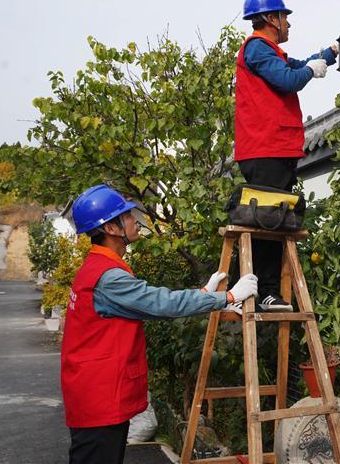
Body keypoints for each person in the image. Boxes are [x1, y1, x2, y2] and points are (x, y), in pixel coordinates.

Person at [61, 184, 259, 464]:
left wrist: (204, 294)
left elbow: (146, 302)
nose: (135, 219)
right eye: (127, 215)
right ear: (112, 229)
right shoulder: (108, 278)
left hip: (94, 393)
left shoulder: (100, 268)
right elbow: (160, 303)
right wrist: (225, 296)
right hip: (98, 398)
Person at [234, 0, 338, 312]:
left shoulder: (269, 52)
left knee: (271, 220)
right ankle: (251, 291)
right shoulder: (257, 49)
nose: (289, 24)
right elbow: (289, 79)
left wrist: (332, 52)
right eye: (285, 17)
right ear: (270, 18)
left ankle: (258, 292)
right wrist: (309, 72)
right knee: (263, 220)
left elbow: (300, 64)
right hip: (265, 147)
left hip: (275, 148)